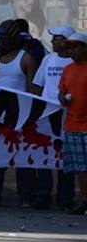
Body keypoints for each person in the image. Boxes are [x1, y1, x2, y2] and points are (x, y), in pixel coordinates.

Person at [0, 20, 38, 207]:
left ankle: (25, 197)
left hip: (20, 115)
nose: (0, 40)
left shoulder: (25, 58)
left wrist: (30, 113)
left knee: (23, 159)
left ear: (14, 39)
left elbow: (32, 89)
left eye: (4, 36)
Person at [32, 24, 76, 210]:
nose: (52, 41)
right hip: (46, 114)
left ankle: (65, 197)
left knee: (67, 155)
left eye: (56, 38)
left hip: (67, 114)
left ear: (67, 41)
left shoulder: (75, 63)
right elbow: (36, 85)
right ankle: (43, 195)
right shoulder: (48, 59)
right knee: (44, 154)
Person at [58, 32, 87, 215]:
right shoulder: (68, 69)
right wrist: (62, 98)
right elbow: (61, 93)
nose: (72, 50)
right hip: (72, 125)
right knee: (80, 168)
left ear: (85, 48)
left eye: (75, 46)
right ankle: (84, 200)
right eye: (70, 47)